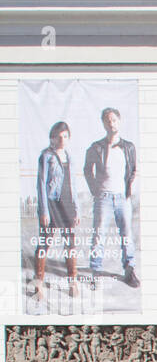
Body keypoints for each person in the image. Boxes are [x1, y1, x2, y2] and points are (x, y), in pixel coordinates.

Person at [84, 107, 140, 288]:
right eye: (107, 120)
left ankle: (130, 270)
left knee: (127, 235)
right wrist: (95, 190)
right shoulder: (96, 147)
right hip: (104, 198)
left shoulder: (129, 147)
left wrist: (127, 190)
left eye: (114, 119)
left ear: (119, 121)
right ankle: (95, 271)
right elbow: (87, 170)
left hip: (122, 198)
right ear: (103, 123)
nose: (111, 123)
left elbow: (132, 170)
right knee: (98, 235)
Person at [33, 121, 78, 302]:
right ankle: (38, 284)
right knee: (44, 244)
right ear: (52, 138)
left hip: (67, 205)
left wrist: (76, 209)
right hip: (51, 204)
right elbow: (41, 185)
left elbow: (73, 185)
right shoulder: (46, 156)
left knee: (70, 244)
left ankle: (72, 282)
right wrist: (44, 210)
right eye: (58, 136)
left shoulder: (70, 156)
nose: (62, 140)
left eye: (65, 136)